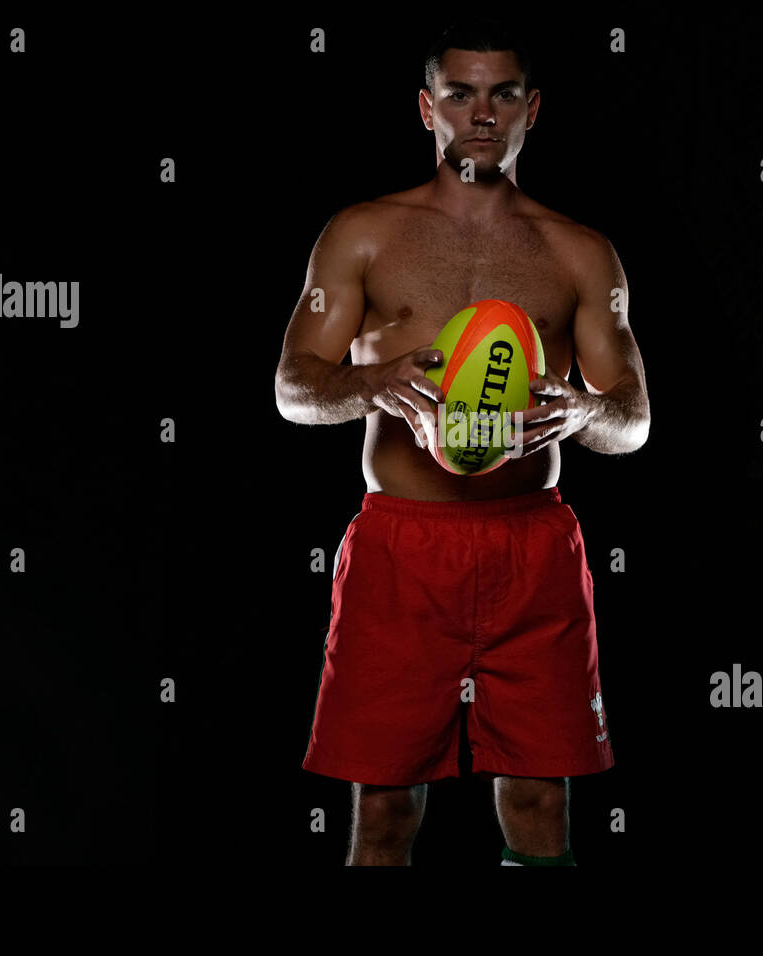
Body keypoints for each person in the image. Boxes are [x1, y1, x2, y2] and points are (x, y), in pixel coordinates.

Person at [275, 17, 649, 866]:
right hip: (403, 544)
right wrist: (372, 381)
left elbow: (636, 418)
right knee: (386, 809)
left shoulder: (582, 253)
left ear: (532, 108)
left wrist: (588, 413)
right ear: (426, 107)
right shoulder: (362, 233)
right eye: (460, 92)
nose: (482, 112)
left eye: (503, 93)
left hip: (532, 542)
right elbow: (293, 389)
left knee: (538, 798)